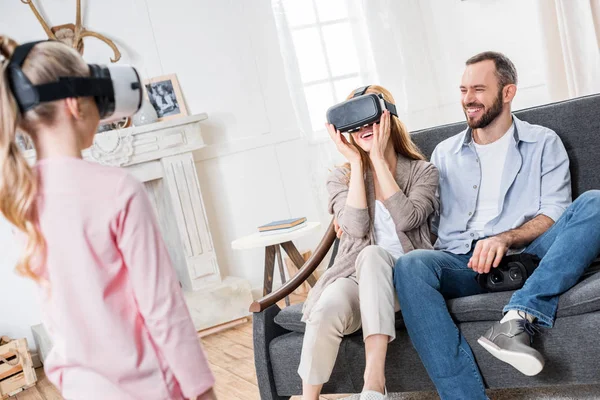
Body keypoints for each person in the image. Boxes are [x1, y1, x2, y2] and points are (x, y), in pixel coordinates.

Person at [0, 37, 216, 400]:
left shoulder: (20, 198)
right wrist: (203, 390)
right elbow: (162, 308)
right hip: (150, 388)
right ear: (73, 103)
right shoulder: (118, 190)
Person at [393, 51, 600, 400]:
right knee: (410, 265)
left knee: (595, 201)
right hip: (462, 262)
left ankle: (518, 316)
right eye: (462, 90)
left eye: (478, 89)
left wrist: (504, 238)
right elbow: (419, 219)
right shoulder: (443, 154)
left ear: (507, 92)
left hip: (525, 258)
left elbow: (555, 213)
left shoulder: (543, 142)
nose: (468, 100)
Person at [299, 85, 439, 400]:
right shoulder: (340, 177)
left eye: (369, 119)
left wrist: (377, 158)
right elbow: (357, 225)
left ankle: (373, 384)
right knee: (327, 307)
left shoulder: (422, 171)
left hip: (405, 277)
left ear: (389, 119)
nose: (362, 128)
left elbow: (407, 220)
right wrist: (359, 164)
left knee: (374, 255)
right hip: (354, 278)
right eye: (354, 123)